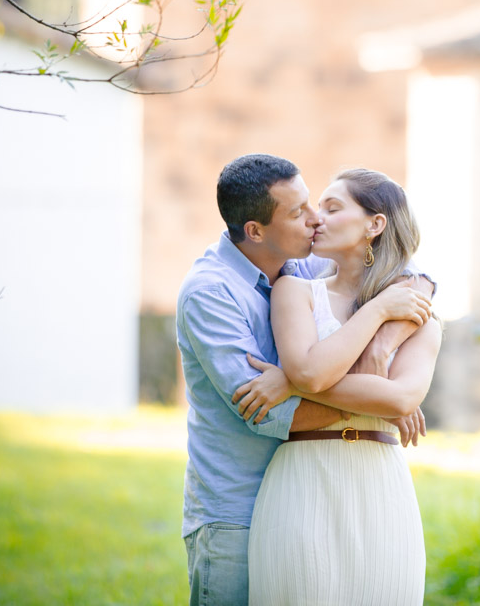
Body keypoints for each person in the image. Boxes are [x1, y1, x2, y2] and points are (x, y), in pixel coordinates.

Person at [177, 154, 434, 606]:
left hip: (344, 488)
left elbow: (415, 279)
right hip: (235, 508)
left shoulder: (305, 266)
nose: (315, 219)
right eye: (299, 212)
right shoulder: (210, 294)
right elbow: (267, 411)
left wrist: (381, 350)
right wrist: (381, 399)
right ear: (256, 231)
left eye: (317, 204)